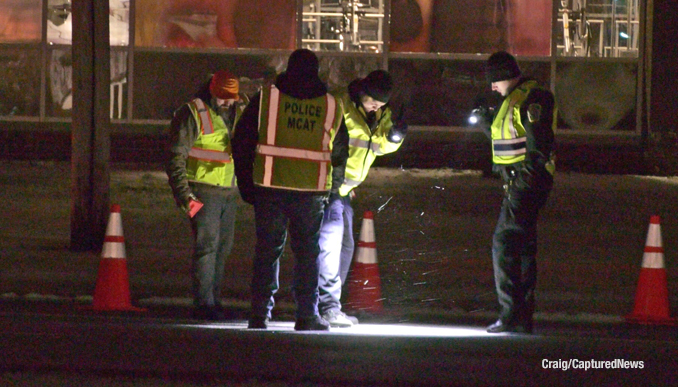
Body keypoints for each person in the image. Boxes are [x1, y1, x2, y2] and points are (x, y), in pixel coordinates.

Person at [232, 49, 349, 331]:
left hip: (270, 188)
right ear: (316, 71)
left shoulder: (267, 99)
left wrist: (247, 185)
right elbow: (340, 154)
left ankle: (259, 314)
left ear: (289, 69)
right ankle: (307, 315)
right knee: (308, 254)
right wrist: (332, 189)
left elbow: (242, 141)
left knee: (267, 252)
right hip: (311, 193)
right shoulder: (331, 105)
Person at [317, 70, 407, 327]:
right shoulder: (339, 105)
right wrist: (334, 179)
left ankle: (326, 304)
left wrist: (394, 137)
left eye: (381, 105)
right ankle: (327, 306)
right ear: (362, 93)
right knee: (331, 247)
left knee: (344, 248)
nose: (376, 108)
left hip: (345, 189)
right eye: (373, 103)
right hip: (329, 186)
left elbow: (379, 145)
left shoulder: (379, 113)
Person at [482, 51, 556, 334]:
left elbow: (538, 146)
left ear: (504, 75)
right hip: (520, 181)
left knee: (504, 242)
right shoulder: (515, 98)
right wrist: (486, 125)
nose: (492, 87)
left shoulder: (532, 98)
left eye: (493, 81)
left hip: (525, 182)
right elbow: (510, 141)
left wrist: (524, 179)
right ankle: (521, 316)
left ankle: (511, 314)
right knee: (522, 248)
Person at [166, 70, 247, 320]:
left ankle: (213, 299)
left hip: (229, 193)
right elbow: (176, 156)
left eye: (230, 98)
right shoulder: (193, 112)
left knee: (222, 248)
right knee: (207, 247)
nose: (227, 103)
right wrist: (184, 195)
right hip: (201, 193)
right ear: (212, 92)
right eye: (222, 98)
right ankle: (204, 304)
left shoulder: (240, 110)